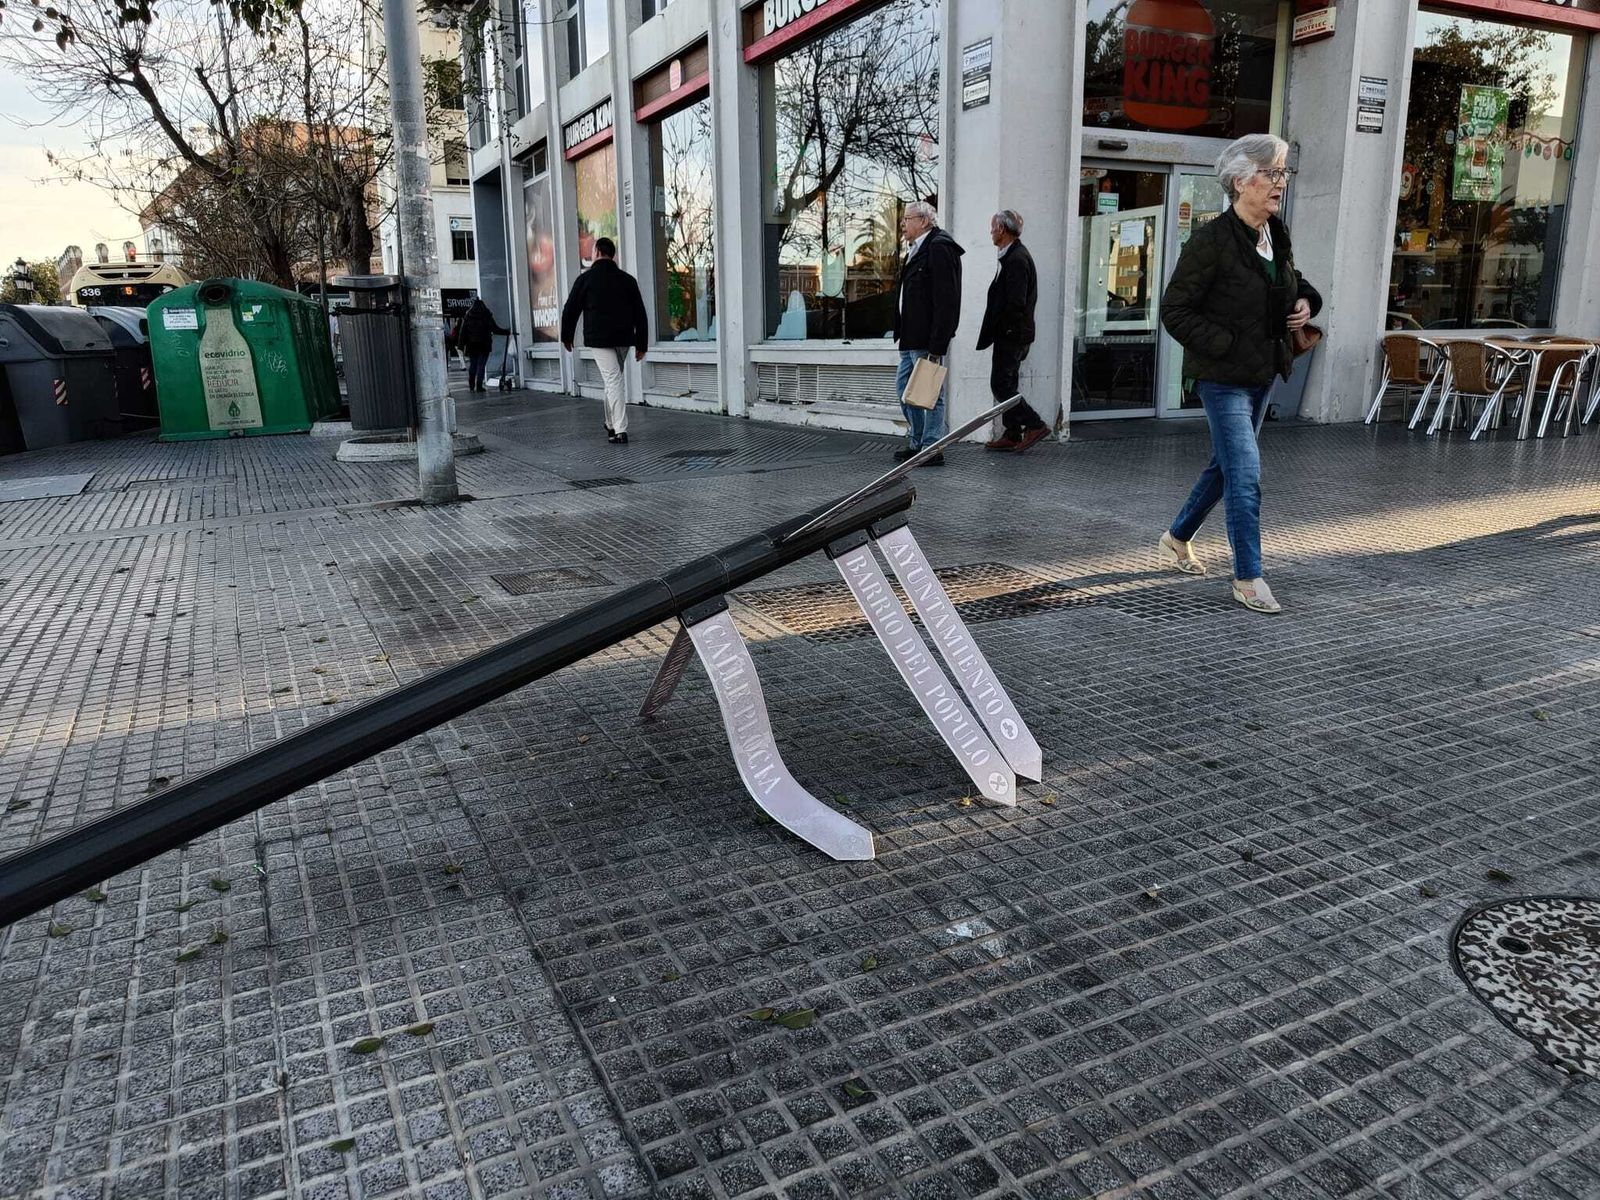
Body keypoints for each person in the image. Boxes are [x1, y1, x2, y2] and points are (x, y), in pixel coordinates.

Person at [1159, 133, 1321, 615]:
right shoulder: (1210, 240)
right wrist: (1226, 344)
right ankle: (1248, 576)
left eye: (1283, 173)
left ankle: (1176, 537)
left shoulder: (1277, 233)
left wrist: (1305, 301)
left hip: (1264, 371)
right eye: (1271, 174)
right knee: (1245, 470)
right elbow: (1175, 310)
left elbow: (1297, 280)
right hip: (1222, 377)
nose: (1280, 184)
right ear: (1239, 181)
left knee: (1226, 464)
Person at [891, 200, 962, 465]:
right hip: (909, 337)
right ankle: (918, 441)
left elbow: (947, 299)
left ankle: (932, 448)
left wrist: (938, 342)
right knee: (905, 391)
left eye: (907, 219)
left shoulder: (940, 247)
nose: (903, 225)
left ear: (923, 221)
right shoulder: (917, 249)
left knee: (930, 394)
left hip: (926, 339)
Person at [561, 237, 648, 444]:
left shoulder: (586, 279)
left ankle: (617, 428)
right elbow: (640, 314)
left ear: (598, 252)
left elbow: (570, 309)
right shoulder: (628, 280)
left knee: (613, 380)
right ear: (613, 254)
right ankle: (614, 425)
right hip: (624, 338)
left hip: (598, 339)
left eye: (592, 250)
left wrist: (567, 336)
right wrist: (641, 344)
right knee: (614, 379)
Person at [976, 209, 1049, 452]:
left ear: (1002, 230)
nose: (990, 232)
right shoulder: (1010, 255)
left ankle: (1035, 424)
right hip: (1012, 333)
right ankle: (1013, 432)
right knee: (1009, 382)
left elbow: (1015, 303)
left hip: (1012, 334)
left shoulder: (1017, 259)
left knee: (1001, 385)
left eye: (992, 228)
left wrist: (1005, 331)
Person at [458, 298, 509, 393]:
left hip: (472, 345)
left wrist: (460, 345)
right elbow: (494, 328)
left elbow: (462, 332)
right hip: (484, 344)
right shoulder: (486, 315)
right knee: (481, 365)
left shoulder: (468, 316)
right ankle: (479, 386)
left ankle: (471, 384)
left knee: (473, 365)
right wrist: (506, 332)